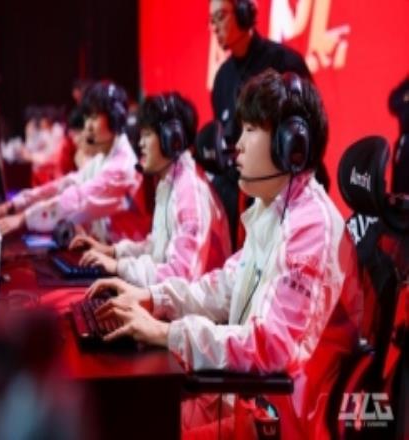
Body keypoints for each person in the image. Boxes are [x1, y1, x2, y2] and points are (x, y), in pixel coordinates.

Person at [87, 70, 363, 439]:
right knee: (122, 415)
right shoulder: (272, 208)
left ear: (290, 145)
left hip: (280, 421)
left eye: (250, 130)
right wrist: (152, 298)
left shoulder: (311, 226)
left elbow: (272, 346)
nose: (238, 145)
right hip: (243, 399)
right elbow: (225, 286)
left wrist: (167, 332)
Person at [71, 93, 231, 287]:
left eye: (147, 135)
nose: (140, 144)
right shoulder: (170, 182)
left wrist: (119, 267)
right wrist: (113, 252)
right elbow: (158, 249)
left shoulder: (189, 192)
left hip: (190, 304)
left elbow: (180, 275)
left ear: (172, 139)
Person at [209, 0, 311, 250]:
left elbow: (306, 134)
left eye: (220, 16)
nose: (215, 27)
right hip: (240, 192)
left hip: (284, 192)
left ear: (244, 12)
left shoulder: (284, 62)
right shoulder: (222, 78)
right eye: (211, 21)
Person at [0, 81, 150, 243]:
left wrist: (23, 219)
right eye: (87, 117)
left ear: (115, 119)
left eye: (94, 117)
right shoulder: (103, 158)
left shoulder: (121, 166)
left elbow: (78, 199)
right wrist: (15, 205)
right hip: (107, 249)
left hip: (124, 254)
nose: (88, 126)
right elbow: (66, 184)